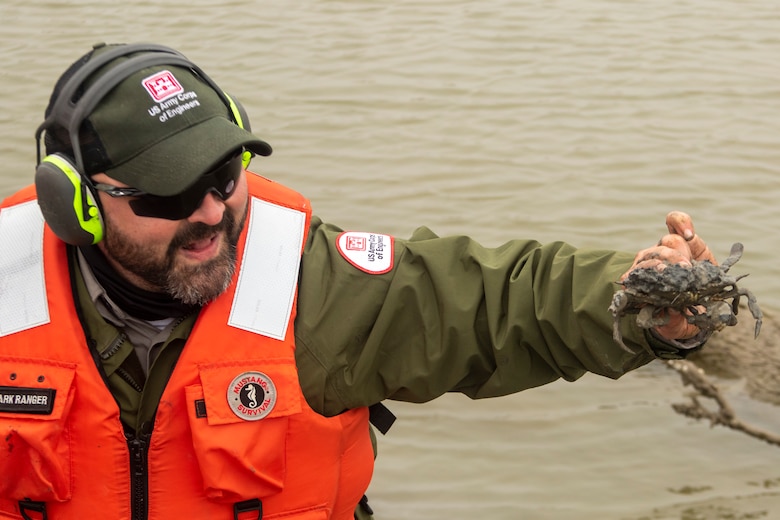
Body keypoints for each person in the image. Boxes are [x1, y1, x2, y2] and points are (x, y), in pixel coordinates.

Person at [0, 42, 717, 520]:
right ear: (77, 204)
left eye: (224, 174)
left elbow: (494, 303)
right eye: (167, 195)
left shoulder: (316, 286)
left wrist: (640, 302)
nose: (212, 213)